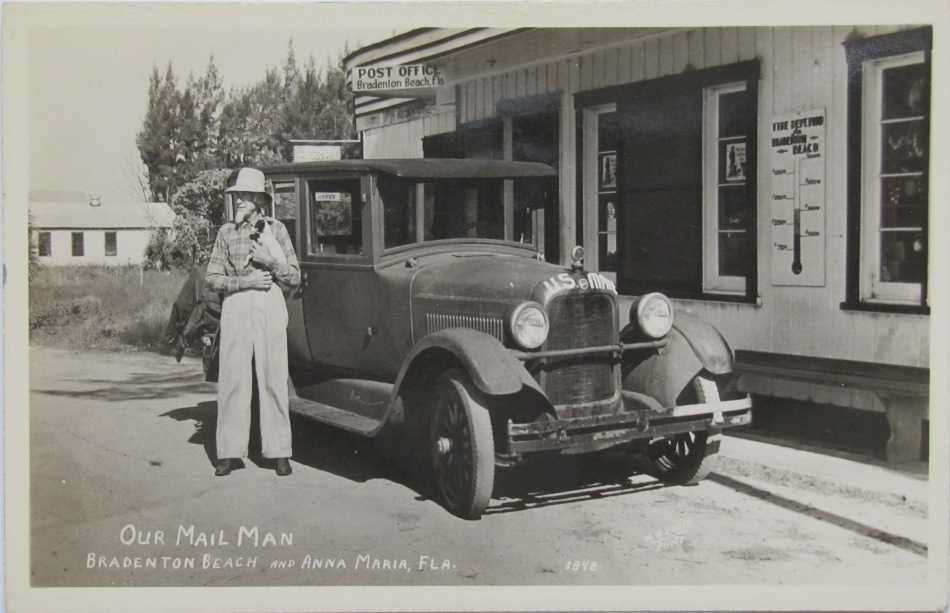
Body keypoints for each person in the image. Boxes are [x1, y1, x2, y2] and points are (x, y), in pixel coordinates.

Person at [204, 167, 301, 477]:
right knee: (233, 378)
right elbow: (212, 278)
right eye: (236, 196)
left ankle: (279, 451)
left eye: (245, 196)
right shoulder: (226, 233)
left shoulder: (278, 230)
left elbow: (295, 278)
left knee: (273, 375)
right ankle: (229, 452)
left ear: (260, 200)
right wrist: (244, 281)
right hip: (237, 304)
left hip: (270, 302)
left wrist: (272, 262)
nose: (239, 201)